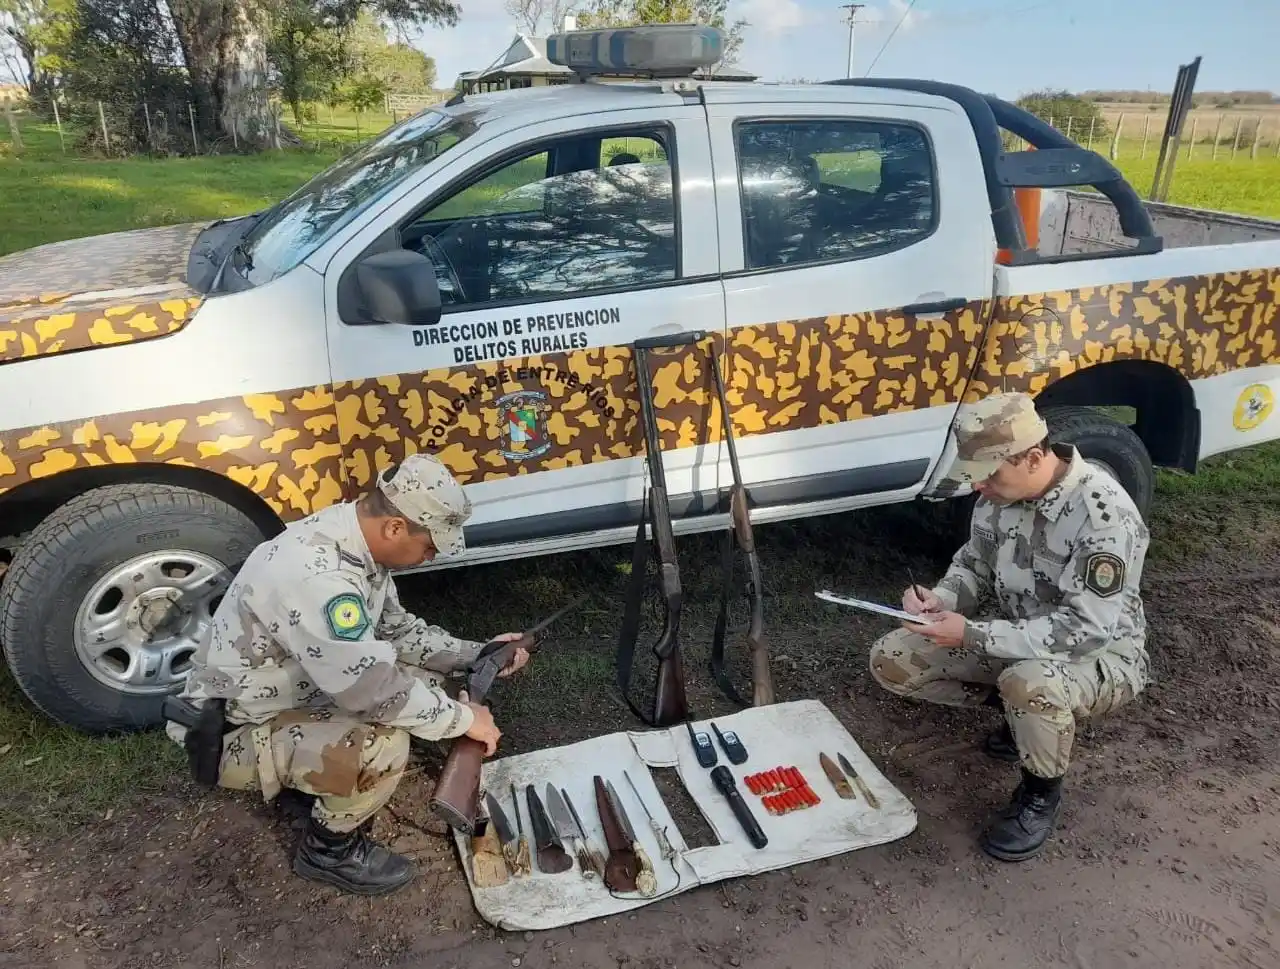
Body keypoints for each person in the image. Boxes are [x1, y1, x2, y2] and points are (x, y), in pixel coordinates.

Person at [166, 454, 530, 896]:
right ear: (396, 528)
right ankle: (328, 850)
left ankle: (313, 777)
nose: (432, 555)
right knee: (381, 744)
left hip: (290, 693)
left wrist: (476, 655)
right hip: (228, 731)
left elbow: (396, 631)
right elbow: (372, 689)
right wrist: (464, 720)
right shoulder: (317, 573)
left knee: (433, 688)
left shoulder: (354, 545)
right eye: (431, 544)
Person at [868, 392, 1150, 862]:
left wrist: (973, 635)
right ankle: (1022, 717)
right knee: (894, 659)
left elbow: (1086, 631)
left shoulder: (1104, 515)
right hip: (1019, 637)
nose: (980, 487)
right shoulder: (998, 495)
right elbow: (973, 566)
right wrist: (940, 599)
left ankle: (1040, 794)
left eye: (989, 474)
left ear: (1034, 457)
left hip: (1101, 657)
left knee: (1028, 682)